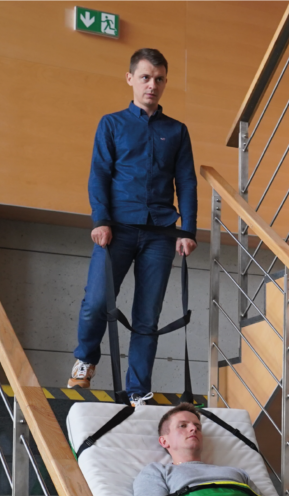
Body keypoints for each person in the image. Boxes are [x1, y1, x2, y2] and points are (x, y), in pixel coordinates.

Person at [69, 48, 197, 404]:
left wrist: (188, 230)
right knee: (96, 301)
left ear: (165, 82)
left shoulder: (177, 131)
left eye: (159, 79)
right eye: (145, 77)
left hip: (161, 233)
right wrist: (100, 220)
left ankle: (138, 390)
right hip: (117, 229)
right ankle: (85, 360)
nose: (152, 85)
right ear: (130, 79)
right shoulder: (111, 124)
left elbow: (186, 182)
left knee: (147, 316)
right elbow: (99, 174)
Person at [133, 404, 253, 496]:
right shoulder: (156, 472)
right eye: (183, 425)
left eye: (198, 427)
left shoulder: (238, 473)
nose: (193, 429)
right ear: (164, 441)